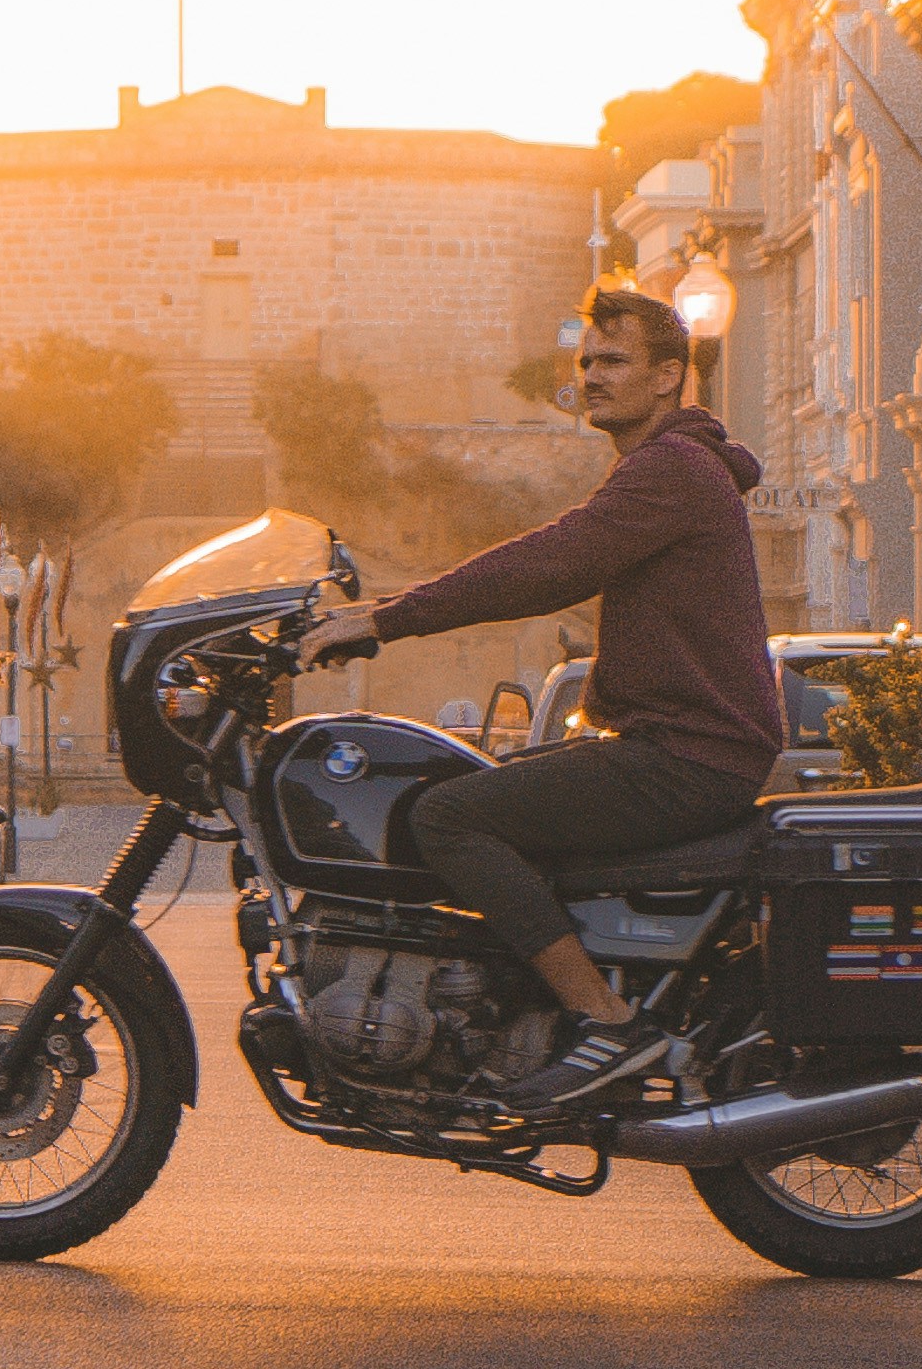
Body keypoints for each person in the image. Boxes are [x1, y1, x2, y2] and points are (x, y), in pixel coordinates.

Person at [306, 280, 778, 1116]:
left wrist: (387, 617)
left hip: (685, 757)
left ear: (669, 377)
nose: (592, 375)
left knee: (447, 816)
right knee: (469, 786)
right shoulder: (666, 468)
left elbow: (550, 564)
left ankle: (603, 1021)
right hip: (673, 746)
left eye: (615, 361)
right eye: (586, 361)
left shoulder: (671, 471)